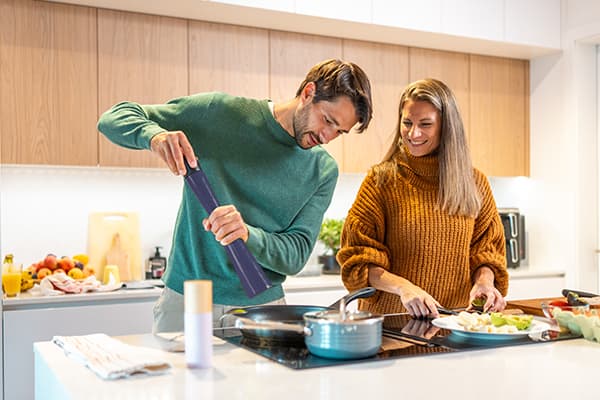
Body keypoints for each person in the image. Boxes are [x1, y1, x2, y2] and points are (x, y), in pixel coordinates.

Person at [97, 59, 373, 333]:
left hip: (263, 311)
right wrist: (153, 135)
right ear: (308, 92)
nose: (327, 136)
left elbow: (296, 254)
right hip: (186, 301)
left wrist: (247, 235)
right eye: (327, 120)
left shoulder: (322, 170)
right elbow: (113, 118)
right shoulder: (219, 113)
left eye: (340, 132)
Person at [336, 78, 507, 320]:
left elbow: (488, 252)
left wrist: (484, 283)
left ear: (446, 127)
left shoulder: (474, 183)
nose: (413, 133)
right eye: (407, 123)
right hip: (393, 329)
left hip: (456, 328)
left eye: (425, 124)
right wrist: (403, 287)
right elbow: (357, 261)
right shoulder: (381, 181)